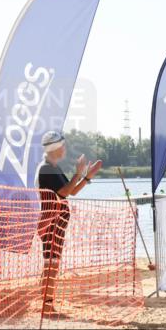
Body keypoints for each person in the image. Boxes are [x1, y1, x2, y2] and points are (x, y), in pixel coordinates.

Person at [36, 131, 102, 319]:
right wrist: (78, 173)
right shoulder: (46, 168)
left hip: (55, 223)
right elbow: (64, 192)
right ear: (55, 148)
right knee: (51, 265)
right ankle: (47, 307)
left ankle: (46, 304)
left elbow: (72, 191)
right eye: (63, 145)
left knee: (51, 264)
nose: (65, 149)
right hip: (51, 222)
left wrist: (87, 177)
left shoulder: (53, 167)